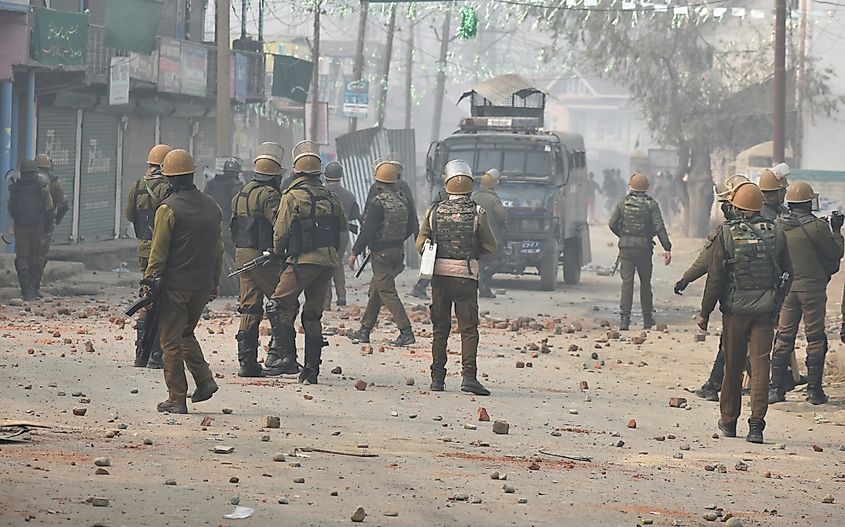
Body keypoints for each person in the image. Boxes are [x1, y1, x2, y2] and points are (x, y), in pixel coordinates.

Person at [698, 181, 792, 443]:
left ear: (737, 207)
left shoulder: (726, 234)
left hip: (735, 312)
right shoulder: (776, 232)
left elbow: (715, 279)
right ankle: (756, 425)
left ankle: (729, 420)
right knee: (761, 367)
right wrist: (776, 303)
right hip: (765, 311)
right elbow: (789, 273)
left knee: (733, 366)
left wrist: (705, 312)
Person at [144, 149, 223, 414]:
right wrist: (214, 282)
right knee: (186, 333)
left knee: (170, 342)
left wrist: (149, 280)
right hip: (201, 285)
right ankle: (204, 380)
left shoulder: (168, 208)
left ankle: (177, 398)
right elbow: (219, 249)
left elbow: (158, 251)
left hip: (175, 287)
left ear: (170, 179)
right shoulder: (213, 206)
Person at [267, 140, 346, 385]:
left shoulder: (292, 196)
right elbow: (341, 229)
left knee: (277, 306)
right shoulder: (330, 197)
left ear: (297, 171)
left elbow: (280, 232)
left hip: (302, 261)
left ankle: (287, 358)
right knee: (312, 314)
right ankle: (311, 370)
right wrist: (335, 257)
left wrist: (279, 253)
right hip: (328, 262)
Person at [417, 160, 497, 395]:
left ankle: (437, 379)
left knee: (440, 328)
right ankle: (468, 377)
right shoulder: (477, 213)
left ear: (447, 184)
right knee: (468, 329)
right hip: (466, 277)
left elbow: (420, 243)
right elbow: (490, 246)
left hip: (439, 277)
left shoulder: (434, 211)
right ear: (470, 186)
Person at [675, 175, 752, 401]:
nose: (724, 209)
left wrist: (687, 282)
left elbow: (710, 268)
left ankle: (718, 386)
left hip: (738, 300)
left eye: (726, 205)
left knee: (732, 342)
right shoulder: (772, 226)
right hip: (770, 299)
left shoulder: (728, 232)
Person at [769, 182, 843, 405]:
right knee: (816, 338)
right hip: (813, 291)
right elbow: (836, 252)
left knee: (783, 337)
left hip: (788, 290)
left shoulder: (777, 225)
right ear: (808, 202)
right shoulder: (817, 227)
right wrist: (837, 230)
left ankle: (775, 389)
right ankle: (814, 391)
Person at [348, 159, 418, 346]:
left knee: (386, 291)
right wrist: (398, 239)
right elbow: (412, 225)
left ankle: (406, 331)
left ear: (378, 181)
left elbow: (367, 231)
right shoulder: (403, 199)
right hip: (397, 252)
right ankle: (364, 330)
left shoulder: (377, 203)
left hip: (381, 255)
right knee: (376, 290)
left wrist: (355, 252)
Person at [230, 143, 285, 378]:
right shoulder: (269, 195)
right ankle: (277, 355)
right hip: (264, 257)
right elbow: (279, 224)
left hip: (242, 256)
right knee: (283, 303)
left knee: (250, 308)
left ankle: (247, 362)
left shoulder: (241, 193)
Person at [125, 143, 172, 369]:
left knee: (147, 297)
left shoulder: (138, 185)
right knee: (164, 299)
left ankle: (140, 354)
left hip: (143, 248)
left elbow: (129, 215)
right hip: (163, 249)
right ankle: (156, 353)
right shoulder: (168, 187)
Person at [609, 173, 672, 330]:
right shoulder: (652, 205)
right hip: (644, 249)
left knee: (627, 283)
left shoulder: (622, 203)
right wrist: (667, 247)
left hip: (626, 249)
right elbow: (659, 227)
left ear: (630, 185)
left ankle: (624, 320)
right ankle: (647, 319)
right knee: (645, 284)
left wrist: (624, 236)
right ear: (646, 188)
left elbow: (612, 224)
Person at [8, 160, 53, 301]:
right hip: (38, 225)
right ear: (35, 171)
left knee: (22, 256)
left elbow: (11, 208)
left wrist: (18, 219)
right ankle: (34, 288)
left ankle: (26, 290)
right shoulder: (42, 187)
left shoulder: (15, 188)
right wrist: (48, 225)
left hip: (21, 226)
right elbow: (49, 207)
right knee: (37, 255)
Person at [324, 161, 361, 309]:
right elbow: (355, 215)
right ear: (341, 176)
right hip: (343, 233)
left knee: (325, 265)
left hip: (325, 232)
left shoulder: (320, 191)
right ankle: (342, 295)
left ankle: (326, 301)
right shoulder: (349, 195)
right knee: (338, 262)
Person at [32, 154, 68, 298]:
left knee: (26, 254)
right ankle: (35, 287)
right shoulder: (54, 182)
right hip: (46, 224)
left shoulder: (26, 179)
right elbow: (64, 205)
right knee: (40, 255)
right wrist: (57, 220)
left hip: (26, 223)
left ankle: (27, 287)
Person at [410, 180, 451, 300]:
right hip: (438, 239)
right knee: (433, 265)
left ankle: (420, 288)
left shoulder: (439, 197)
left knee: (433, 265)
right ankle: (420, 288)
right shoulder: (444, 199)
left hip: (435, 238)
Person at [472, 168, 507, 298]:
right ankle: (483, 278)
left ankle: (484, 290)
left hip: (475, 238)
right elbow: (502, 216)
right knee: (500, 260)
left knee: (481, 262)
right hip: (491, 238)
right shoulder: (493, 200)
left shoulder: (474, 197)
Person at [205, 158, 244, 256]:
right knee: (232, 255)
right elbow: (240, 207)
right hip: (227, 225)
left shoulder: (210, 183)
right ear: (237, 172)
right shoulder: (237, 185)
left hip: (209, 225)